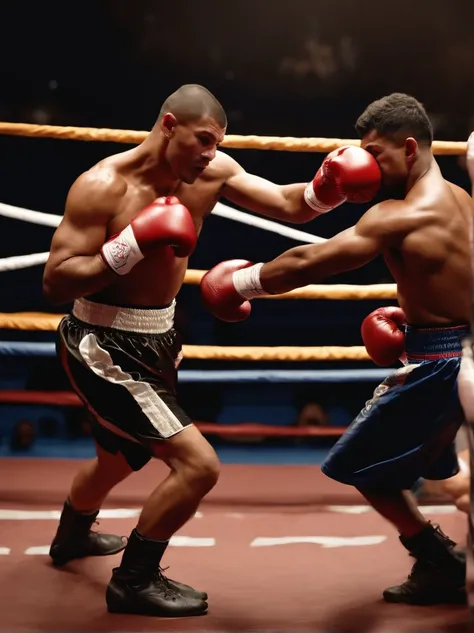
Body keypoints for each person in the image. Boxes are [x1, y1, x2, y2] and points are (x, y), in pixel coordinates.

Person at [42, 83, 381, 618]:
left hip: (161, 335)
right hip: (100, 343)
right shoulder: (102, 186)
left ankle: (70, 537)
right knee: (199, 467)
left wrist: (328, 189)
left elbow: (291, 205)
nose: (210, 153)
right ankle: (134, 580)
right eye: (202, 140)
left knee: (116, 459)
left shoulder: (214, 171)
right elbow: (56, 282)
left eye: (217, 143)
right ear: (169, 125)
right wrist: (130, 245)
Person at [200, 92, 473, 606]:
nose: (366, 165)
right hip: (459, 350)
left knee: (360, 463)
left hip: (441, 363)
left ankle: (437, 560)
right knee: (450, 472)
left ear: (409, 148)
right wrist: (418, 320)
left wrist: (239, 283)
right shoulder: (462, 199)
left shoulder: (399, 213)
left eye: (376, 152)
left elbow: (311, 262)